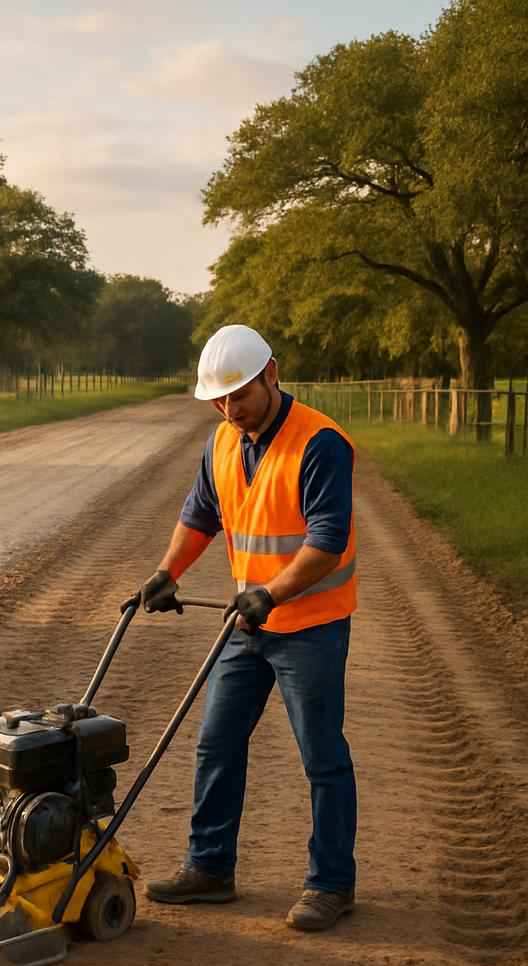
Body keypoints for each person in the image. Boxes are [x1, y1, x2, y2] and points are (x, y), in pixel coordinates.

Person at [138, 324, 359, 932]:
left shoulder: (320, 442)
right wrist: (167, 572)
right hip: (248, 623)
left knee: (321, 756)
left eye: (239, 395)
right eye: (219, 399)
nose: (230, 408)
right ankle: (210, 868)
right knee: (216, 742)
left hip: (311, 625)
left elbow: (327, 544)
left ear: (272, 374)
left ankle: (331, 883)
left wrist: (272, 592)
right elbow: (199, 515)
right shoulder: (222, 442)